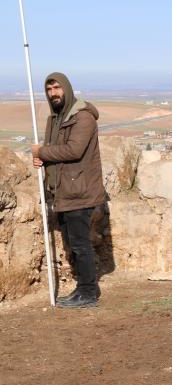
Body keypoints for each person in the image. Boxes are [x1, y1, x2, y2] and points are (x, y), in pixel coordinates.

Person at [31, 72, 108, 308]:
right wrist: (42, 160)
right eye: (49, 89)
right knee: (73, 243)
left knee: (80, 244)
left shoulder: (82, 118)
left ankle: (88, 293)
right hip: (64, 191)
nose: (53, 93)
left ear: (67, 88)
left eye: (57, 88)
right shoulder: (56, 118)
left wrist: (41, 152)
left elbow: (74, 150)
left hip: (80, 191)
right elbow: (55, 150)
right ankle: (84, 288)